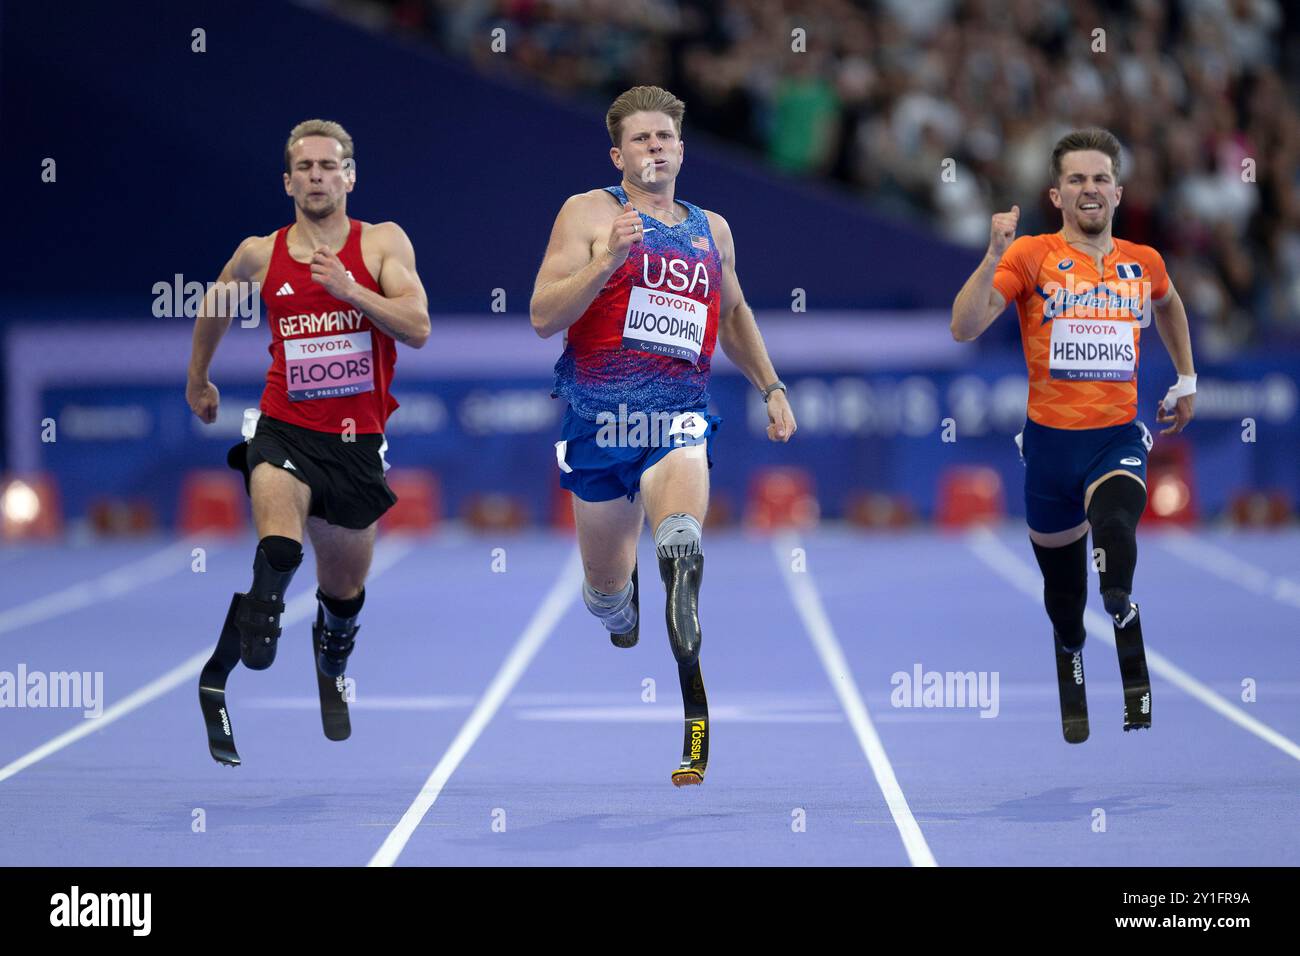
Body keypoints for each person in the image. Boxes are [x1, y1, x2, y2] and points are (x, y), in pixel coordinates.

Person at [529, 86, 797, 783]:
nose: (655, 147)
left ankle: (692, 691)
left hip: (677, 416)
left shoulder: (713, 228)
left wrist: (771, 387)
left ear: (681, 149)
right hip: (597, 423)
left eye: (665, 138)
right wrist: (604, 261)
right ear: (619, 154)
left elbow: (733, 316)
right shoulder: (589, 213)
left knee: (681, 544)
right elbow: (541, 316)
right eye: (641, 139)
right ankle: (620, 606)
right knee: (605, 589)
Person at [187, 119, 431, 764]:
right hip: (284, 427)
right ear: (288, 180)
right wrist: (199, 379)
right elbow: (214, 304)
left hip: (357, 444)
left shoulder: (381, 243)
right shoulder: (260, 254)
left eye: (330, 165)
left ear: (349, 176)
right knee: (276, 550)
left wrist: (350, 290)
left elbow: (418, 327)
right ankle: (240, 647)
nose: (317, 176)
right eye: (306, 167)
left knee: (343, 591)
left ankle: (332, 656)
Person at [951, 127, 1196, 742]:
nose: (1090, 189)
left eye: (1100, 179)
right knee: (1064, 599)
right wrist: (991, 255)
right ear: (1056, 195)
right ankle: (1070, 649)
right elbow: (964, 327)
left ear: (1118, 191)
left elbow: (1169, 304)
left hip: (1115, 441)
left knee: (1114, 539)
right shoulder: (1030, 256)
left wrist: (1187, 377)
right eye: (1076, 180)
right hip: (1049, 456)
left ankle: (1126, 618)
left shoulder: (1145, 263)